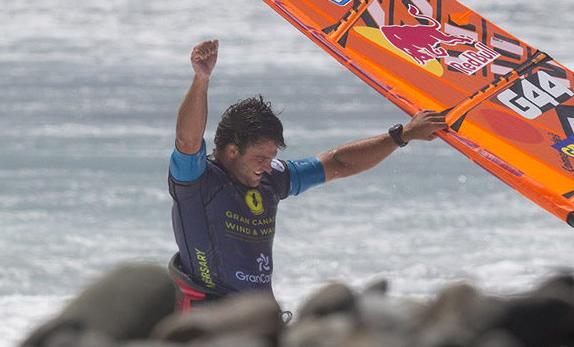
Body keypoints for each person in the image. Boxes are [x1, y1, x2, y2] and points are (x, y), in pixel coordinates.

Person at [169, 38, 448, 314]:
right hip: (207, 323)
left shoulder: (273, 179)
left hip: (260, 320)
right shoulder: (198, 182)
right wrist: (201, 80)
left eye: (272, 157)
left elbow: (338, 162)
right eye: (261, 158)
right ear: (231, 151)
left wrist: (402, 135)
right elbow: (187, 141)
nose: (268, 166)